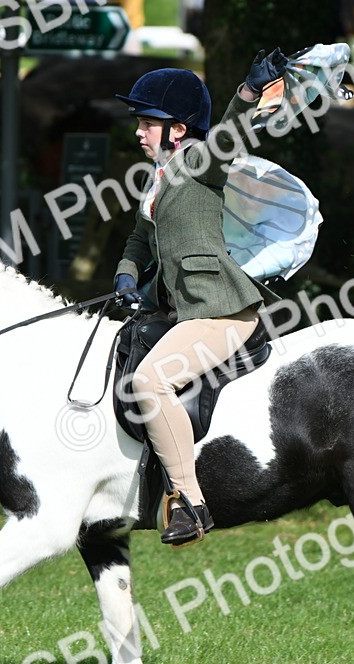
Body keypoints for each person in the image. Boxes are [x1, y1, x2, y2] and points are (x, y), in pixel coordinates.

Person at [112, 54, 285, 548]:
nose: (139, 133)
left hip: (220, 310)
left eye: (148, 123)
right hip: (178, 310)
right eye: (140, 123)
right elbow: (138, 243)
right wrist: (126, 278)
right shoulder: (158, 178)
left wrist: (248, 94)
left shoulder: (198, 161)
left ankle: (190, 503)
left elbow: (229, 135)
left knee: (150, 382)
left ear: (179, 129)